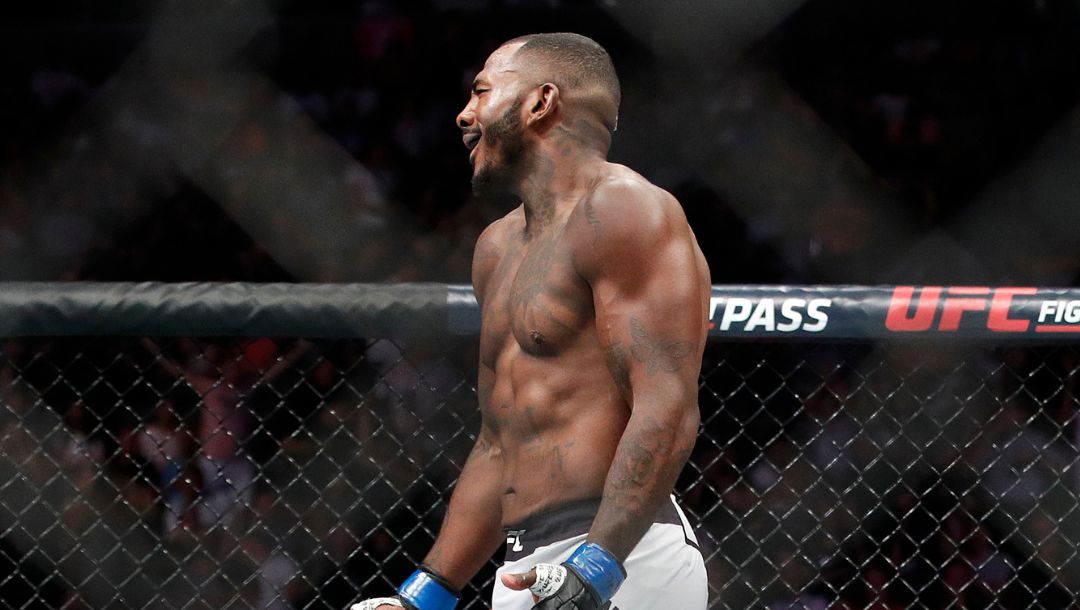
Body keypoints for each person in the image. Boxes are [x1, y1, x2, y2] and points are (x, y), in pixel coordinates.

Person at [351, 32, 711, 610]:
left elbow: (665, 404)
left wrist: (597, 568)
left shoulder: (626, 209)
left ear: (540, 102)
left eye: (482, 92)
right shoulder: (497, 248)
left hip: (626, 558)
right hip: (523, 565)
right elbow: (499, 442)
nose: (465, 115)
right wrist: (427, 595)